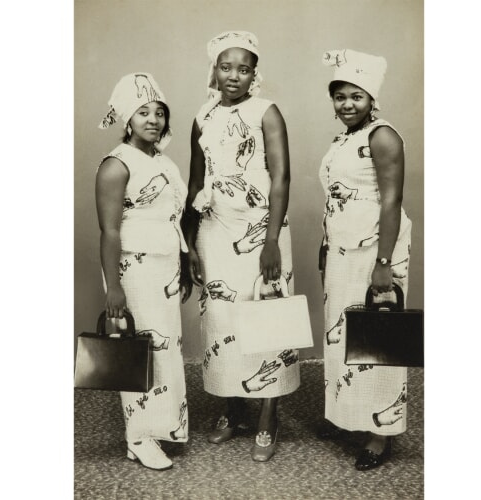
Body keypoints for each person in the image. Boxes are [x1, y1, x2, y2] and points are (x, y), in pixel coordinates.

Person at [183, 31, 299, 462]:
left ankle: (268, 415)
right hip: (215, 231)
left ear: (255, 74)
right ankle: (233, 407)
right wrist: (190, 243)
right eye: (226, 67)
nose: (234, 76)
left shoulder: (266, 112)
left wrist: (271, 240)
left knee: (266, 319)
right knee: (222, 320)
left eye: (244, 69)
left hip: (260, 231)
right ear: (214, 70)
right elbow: (196, 182)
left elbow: (281, 177)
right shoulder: (202, 117)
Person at [317, 49, 413, 471]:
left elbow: (391, 201)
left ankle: (379, 434)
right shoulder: (345, 139)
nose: (347, 104)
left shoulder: (383, 136)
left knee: (377, 341)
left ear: (372, 97)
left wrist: (383, 263)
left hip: (375, 252)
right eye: (340, 97)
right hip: (343, 251)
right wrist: (326, 245)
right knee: (344, 339)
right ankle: (350, 416)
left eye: (356, 96)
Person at [96, 73, 191, 470]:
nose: (153, 119)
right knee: (139, 352)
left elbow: (172, 218)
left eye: (159, 112)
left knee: (164, 350)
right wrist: (114, 288)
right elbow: (110, 231)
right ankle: (137, 437)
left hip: (164, 268)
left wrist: (183, 263)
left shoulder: (163, 162)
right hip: (133, 271)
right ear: (127, 118)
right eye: (143, 112)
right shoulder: (116, 165)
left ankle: (160, 427)